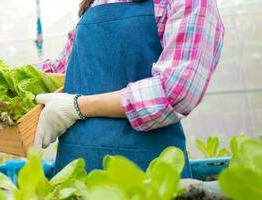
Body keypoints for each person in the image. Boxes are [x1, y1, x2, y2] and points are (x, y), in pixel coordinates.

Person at [35, 0, 224, 177]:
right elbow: (61, 70)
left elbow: (175, 91)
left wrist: (77, 107)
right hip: (74, 169)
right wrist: (10, 80)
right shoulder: (96, 3)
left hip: (146, 172)